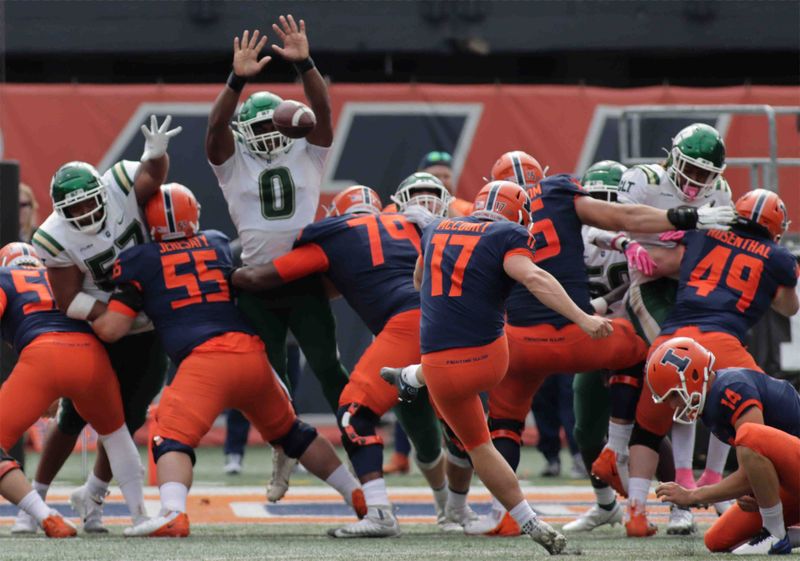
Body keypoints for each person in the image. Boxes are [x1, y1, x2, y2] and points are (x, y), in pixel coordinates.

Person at [468, 151, 735, 536]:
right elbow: (621, 219)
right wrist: (682, 220)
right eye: (598, 197)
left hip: (524, 339)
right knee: (633, 373)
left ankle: (507, 512)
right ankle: (613, 476)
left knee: (506, 424)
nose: (605, 203)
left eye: (613, 195)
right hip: (586, 330)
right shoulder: (571, 205)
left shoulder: (493, 223)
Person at [91, 184, 365, 537]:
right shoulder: (217, 241)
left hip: (204, 361)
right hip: (250, 354)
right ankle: (356, 493)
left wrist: (83, 312)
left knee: (169, 435)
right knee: (291, 433)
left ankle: (173, 512)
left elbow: (113, 328)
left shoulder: (139, 260)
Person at [384, 180, 619, 554]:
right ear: (519, 213)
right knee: (483, 432)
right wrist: (582, 317)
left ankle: (414, 375)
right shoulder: (507, 234)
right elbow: (534, 276)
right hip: (489, 359)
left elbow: (417, 280)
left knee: (478, 446)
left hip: (440, 365)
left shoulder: (435, 229)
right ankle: (530, 521)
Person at [233, 181, 460, 537]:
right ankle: (475, 512)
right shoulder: (410, 221)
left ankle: (380, 512)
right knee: (469, 424)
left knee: (354, 412)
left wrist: (228, 275)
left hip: (409, 323)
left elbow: (262, 276)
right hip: (454, 318)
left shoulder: (334, 234)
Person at [205, 18, 349, 502]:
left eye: (274, 123)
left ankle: (359, 437)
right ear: (244, 131)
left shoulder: (308, 152)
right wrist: (236, 79)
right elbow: (214, 128)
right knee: (267, 381)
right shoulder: (233, 162)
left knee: (329, 368)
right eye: (258, 125)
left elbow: (325, 111)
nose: (268, 133)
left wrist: (306, 63)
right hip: (256, 284)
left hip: (303, 275)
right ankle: (284, 448)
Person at [610, 189, 799, 538]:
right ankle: (749, 491)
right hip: (723, 342)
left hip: (672, 340)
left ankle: (635, 511)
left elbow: (660, 264)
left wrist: (628, 243)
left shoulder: (703, 236)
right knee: (760, 430)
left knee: (649, 425)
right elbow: (789, 307)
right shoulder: (777, 257)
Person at [21, 116, 178, 534]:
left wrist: (157, 155)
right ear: (59, 211)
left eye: (88, 201)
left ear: (101, 192)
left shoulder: (120, 183)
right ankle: (34, 497)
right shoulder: (54, 237)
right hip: (105, 318)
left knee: (129, 417)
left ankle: (92, 493)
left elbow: (151, 178)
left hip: (149, 316)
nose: (85, 211)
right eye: (72, 208)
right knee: (74, 416)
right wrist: (107, 315)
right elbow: (68, 298)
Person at [612, 124, 733, 535]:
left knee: (720, 375)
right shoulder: (644, 179)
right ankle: (682, 484)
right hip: (650, 288)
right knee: (683, 372)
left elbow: (724, 247)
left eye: (705, 175)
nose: (697, 183)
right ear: (673, 159)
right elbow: (605, 225)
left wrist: (678, 247)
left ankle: (710, 481)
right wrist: (628, 244)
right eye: (691, 171)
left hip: (699, 287)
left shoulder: (721, 192)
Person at [0, 242, 149, 537]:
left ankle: (42, 515)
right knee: (116, 436)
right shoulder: (61, 274)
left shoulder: (5, 278)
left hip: (42, 358)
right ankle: (141, 517)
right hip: (92, 357)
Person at [646, 338, 800, 555]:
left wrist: (694, 495)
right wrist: (760, 491)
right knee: (717, 539)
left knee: (749, 435)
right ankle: (783, 533)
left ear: (694, 375)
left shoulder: (731, 388)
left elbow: (755, 448)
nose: (673, 405)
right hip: (791, 481)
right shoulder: (713, 402)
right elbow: (755, 472)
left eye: (673, 395)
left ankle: (775, 535)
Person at [417, 151, 473, 216]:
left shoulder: (467, 209)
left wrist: (446, 209)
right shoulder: (409, 204)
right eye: (436, 176)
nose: (441, 181)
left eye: (446, 176)